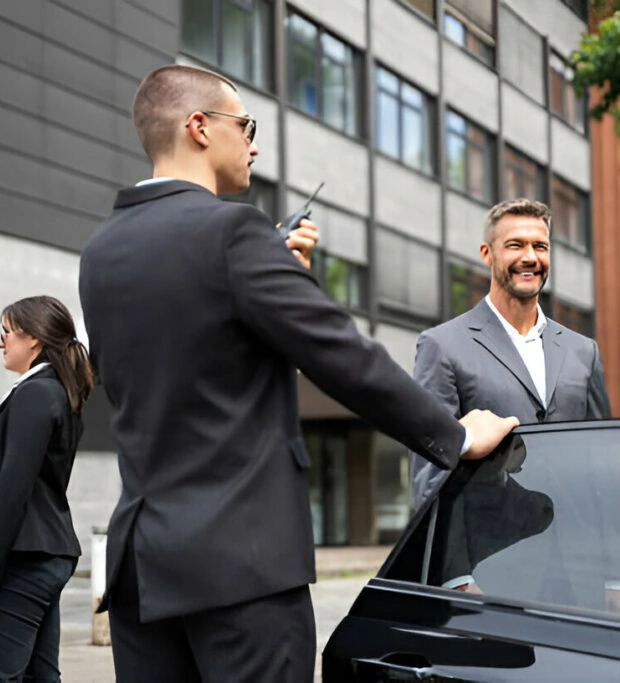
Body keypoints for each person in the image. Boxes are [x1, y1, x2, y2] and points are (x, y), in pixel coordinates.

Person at [78, 64, 518, 682]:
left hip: (143, 572)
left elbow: (191, 362)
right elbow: (341, 354)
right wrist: (456, 436)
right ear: (199, 127)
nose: (252, 142)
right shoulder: (233, 231)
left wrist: (276, 277)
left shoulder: (101, 252)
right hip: (242, 567)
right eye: (244, 125)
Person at [409, 198, 620, 611]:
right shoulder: (442, 346)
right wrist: (455, 577)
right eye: (515, 245)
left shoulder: (583, 351)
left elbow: (603, 471)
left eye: (540, 247)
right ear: (487, 253)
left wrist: (618, 577)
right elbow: (429, 474)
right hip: (491, 574)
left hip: (582, 575)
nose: (530, 257)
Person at [0, 295, 94, 682]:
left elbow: (13, 491)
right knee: (39, 676)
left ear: (34, 341)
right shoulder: (55, 391)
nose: (0, 342)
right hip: (42, 554)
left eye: (6, 333)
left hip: (24, 558)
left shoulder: (38, 394)